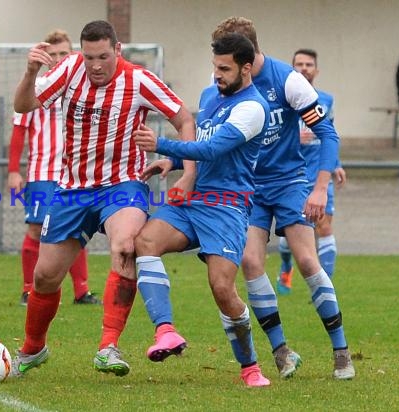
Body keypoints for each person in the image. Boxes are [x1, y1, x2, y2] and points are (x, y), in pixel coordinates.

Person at [10, 20, 196, 378]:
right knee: (46, 277)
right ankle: (33, 348)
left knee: (125, 245)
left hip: (123, 185)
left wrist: (185, 170)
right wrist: (31, 70)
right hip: (72, 189)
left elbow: (183, 118)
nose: (95, 65)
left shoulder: (139, 80)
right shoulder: (69, 70)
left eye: (104, 57)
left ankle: (108, 346)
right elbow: (25, 103)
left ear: (118, 50)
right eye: (89, 56)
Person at [212, 17, 355, 380]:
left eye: (229, 60)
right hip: (250, 187)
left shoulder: (287, 81)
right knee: (250, 261)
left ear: (248, 55)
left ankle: (341, 352)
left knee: (307, 261)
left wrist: (320, 187)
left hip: (290, 182)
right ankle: (281, 350)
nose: (221, 69)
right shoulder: (225, 85)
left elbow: (328, 133)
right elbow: (209, 137)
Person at [132, 33, 271, 387]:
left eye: (225, 68)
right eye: (215, 67)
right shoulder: (211, 96)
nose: (217, 75)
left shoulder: (253, 108)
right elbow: (199, 145)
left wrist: (160, 142)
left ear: (246, 67)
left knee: (222, 288)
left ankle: (250, 366)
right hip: (194, 201)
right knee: (145, 242)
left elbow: (212, 149)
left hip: (227, 207)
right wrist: (172, 160)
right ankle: (166, 332)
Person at [8, 29, 100, 306]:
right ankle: (28, 289)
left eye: (65, 53)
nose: (59, 58)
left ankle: (81, 291)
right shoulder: (35, 88)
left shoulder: (84, 87)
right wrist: (14, 170)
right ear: (46, 56)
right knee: (37, 230)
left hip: (75, 173)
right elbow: (18, 132)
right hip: (41, 172)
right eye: (54, 53)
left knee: (76, 230)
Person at [277, 49, 347, 294]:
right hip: (291, 173)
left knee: (324, 226)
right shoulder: (283, 99)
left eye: (309, 64)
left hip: (319, 172)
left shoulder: (326, 100)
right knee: (290, 234)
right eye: (299, 64)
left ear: (316, 70)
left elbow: (330, 134)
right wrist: (294, 136)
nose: (304, 68)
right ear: (291, 68)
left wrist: (335, 163)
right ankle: (286, 266)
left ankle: (325, 286)